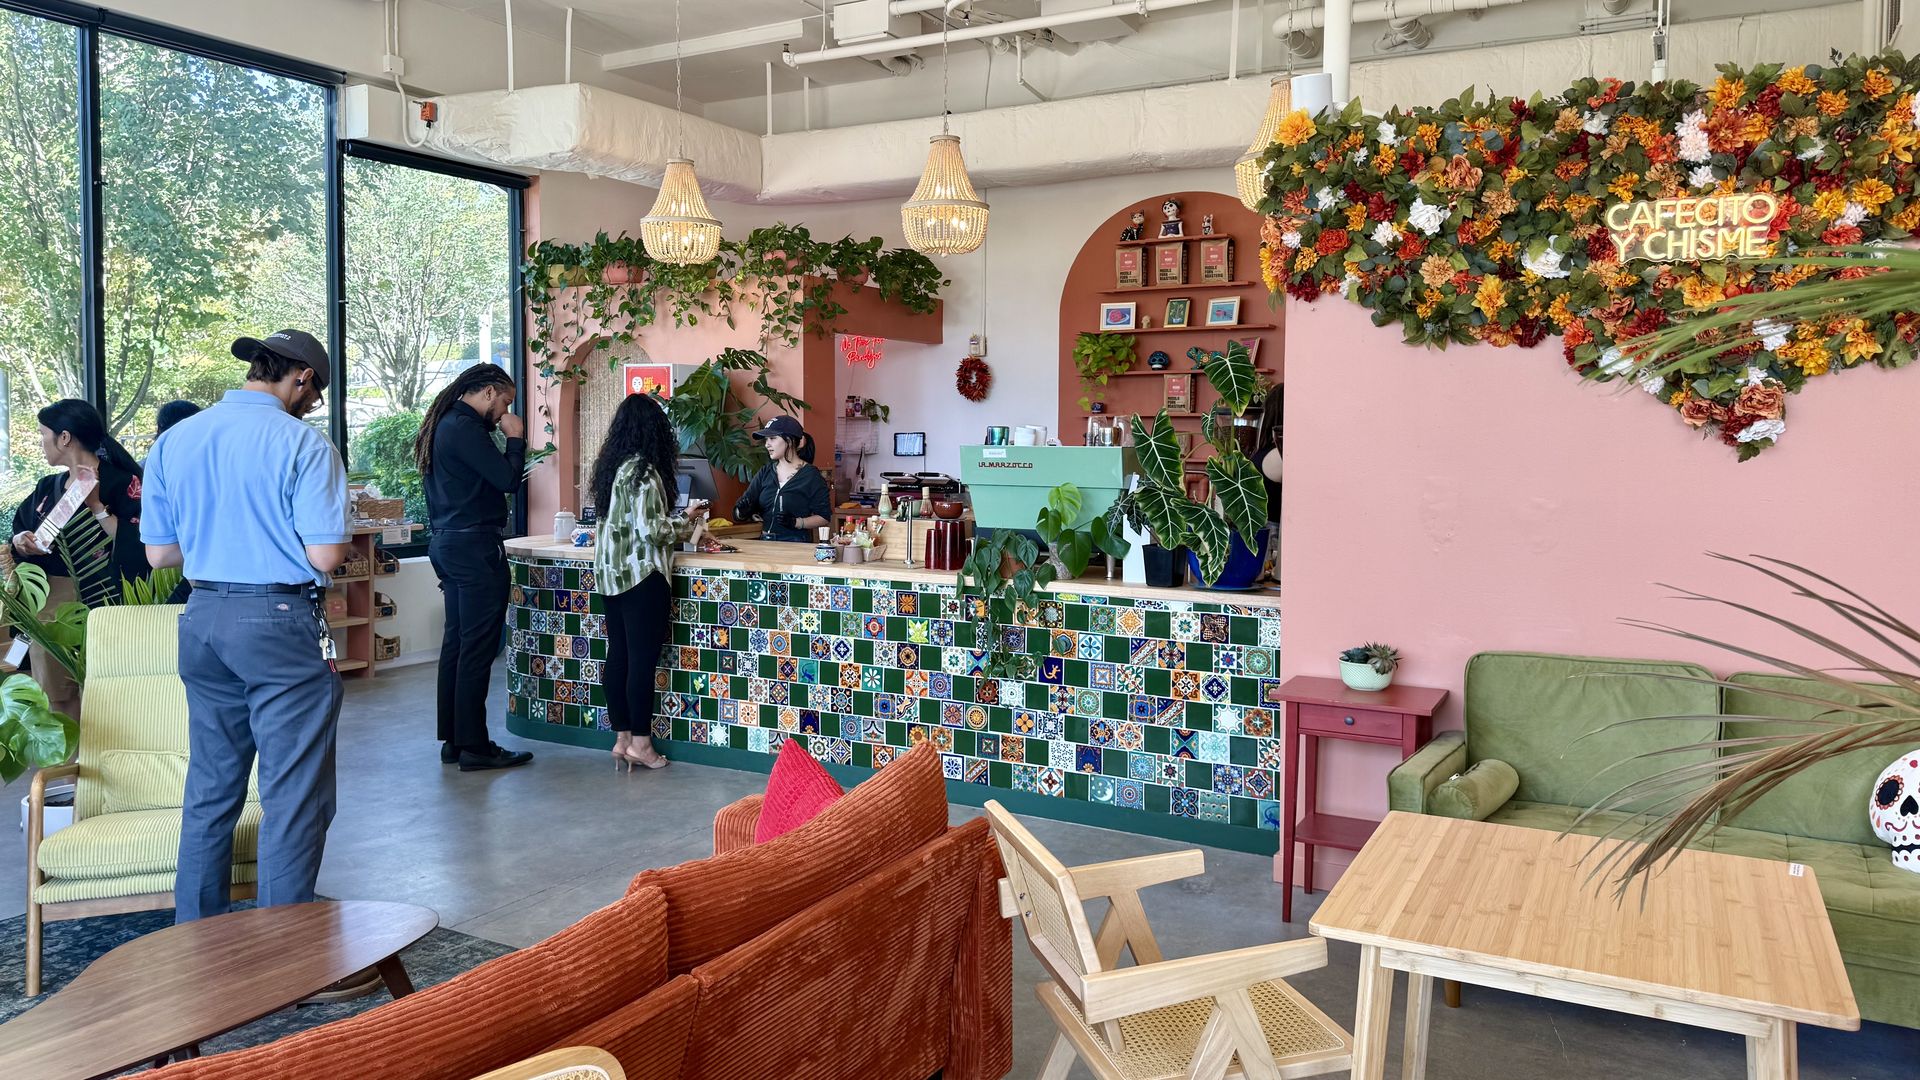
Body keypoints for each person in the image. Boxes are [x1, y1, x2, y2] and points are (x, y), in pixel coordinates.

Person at [141, 329, 352, 923]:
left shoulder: (175, 441)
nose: (311, 405)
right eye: (314, 392)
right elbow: (327, 556)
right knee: (294, 791)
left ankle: (197, 937)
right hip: (277, 620)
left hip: (203, 617)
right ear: (301, 377)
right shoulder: (304, 446)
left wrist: (222, 536)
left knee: (211, 787)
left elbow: (159, 555)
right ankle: (283, 957)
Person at [416, 364, 532, 772]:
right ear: (486, 392)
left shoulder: (444, 425)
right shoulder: (465, 428)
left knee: (459, 644)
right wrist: (515, 439)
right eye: (503, 402)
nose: (504, 412)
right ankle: (476, 746)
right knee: (477, 648)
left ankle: (455, 739)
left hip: (448, 543)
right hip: (474, 546)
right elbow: (506, 479)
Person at [8, 399, 149, 720]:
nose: (41, 442)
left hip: (105, 601)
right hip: (50, 605)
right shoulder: (47, 486)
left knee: (103, 690)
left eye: (44, 435)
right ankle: (66, 770)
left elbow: (140, 545)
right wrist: (21, 541)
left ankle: (101, 760)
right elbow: (21, 531)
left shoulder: (123, 484)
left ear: (65, 438)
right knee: (56, 694)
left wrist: (97, 506)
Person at [590, 394, 707, 771]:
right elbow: (654, 530)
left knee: (619, 657)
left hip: (611, 576)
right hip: (642, 577)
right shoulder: (644, 472)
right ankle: (642, 742)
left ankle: (622, 736)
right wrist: (687, 519)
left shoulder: (614, 468)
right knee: (641, 661)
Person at [732, 415, 831, 543]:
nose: (767, 444)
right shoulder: (765, 472)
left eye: (772, 438)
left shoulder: (811, 475)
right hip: (765, 543)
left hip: (795, 544)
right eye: (766, 440)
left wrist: (796, 522)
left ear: (789, 441)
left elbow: (824, 516)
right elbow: (739, 510)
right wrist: (742, 512)